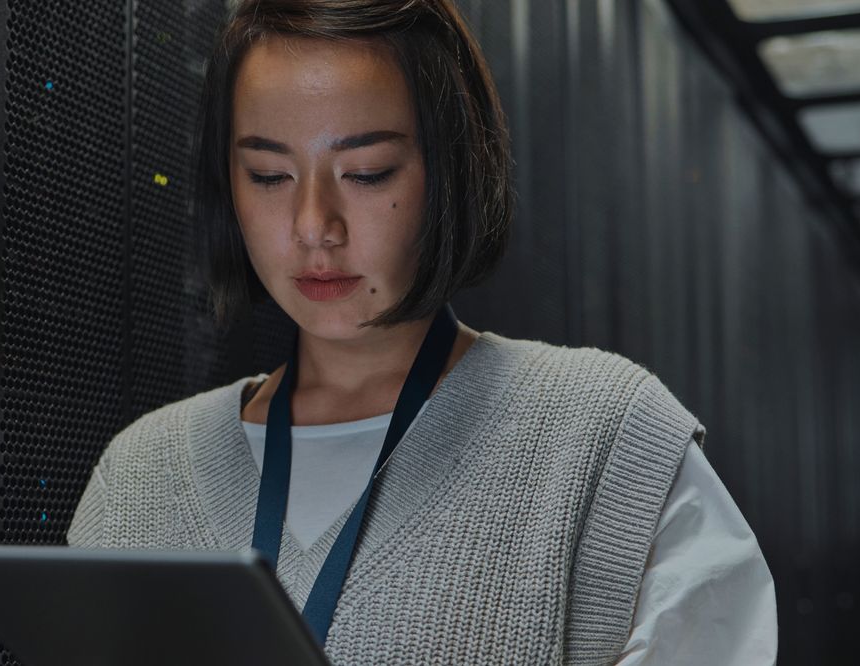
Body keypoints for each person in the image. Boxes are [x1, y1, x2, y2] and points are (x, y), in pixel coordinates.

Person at [68, 0, 776, 663]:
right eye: (268, 175)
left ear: (452, 169)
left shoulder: (605, 438)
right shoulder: (139, 477)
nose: (314, 225)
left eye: (367, 173)